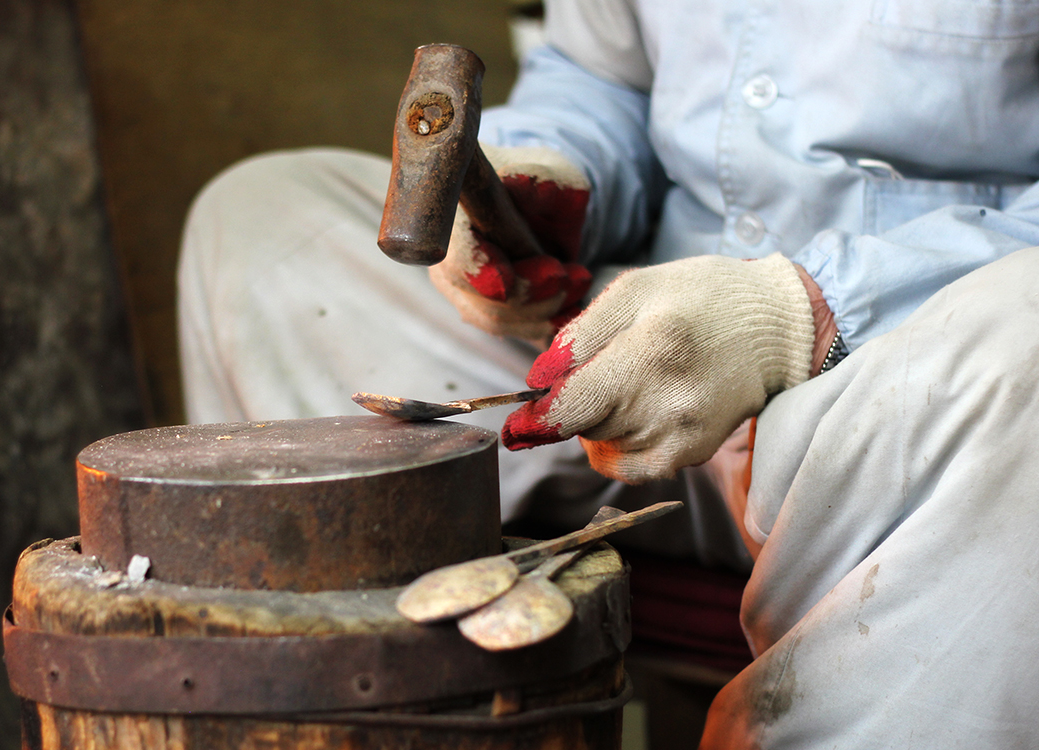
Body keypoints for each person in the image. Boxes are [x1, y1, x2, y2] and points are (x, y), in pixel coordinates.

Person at [178, 0, 1039, 746]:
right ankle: (397, 710)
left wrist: (804, 312)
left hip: (927, 408)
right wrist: (551, 177)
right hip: (636, 367)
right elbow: (600, 77)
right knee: (261, 230)